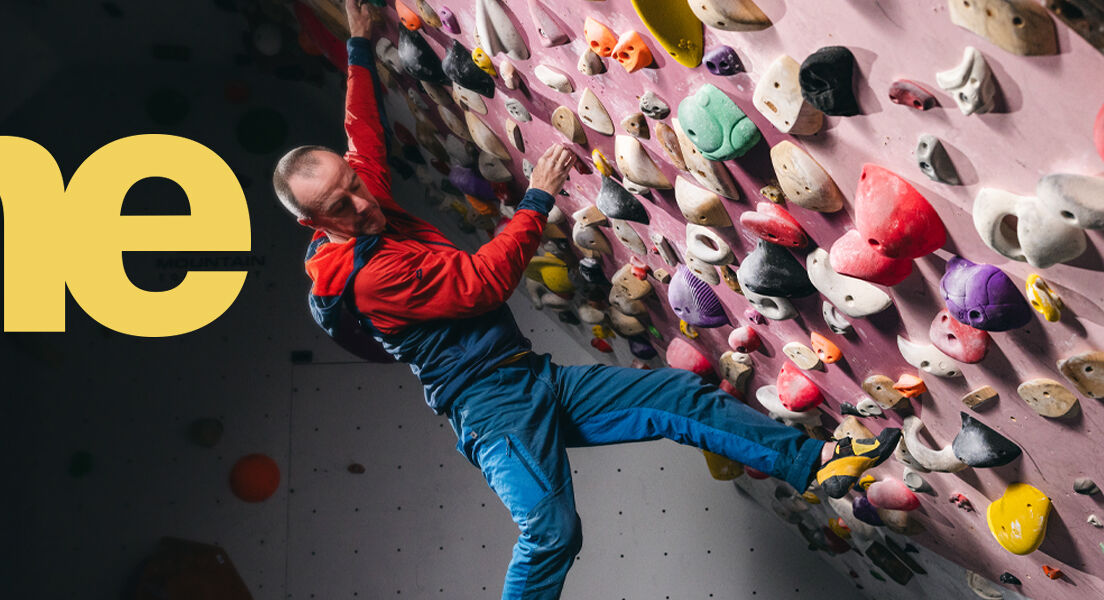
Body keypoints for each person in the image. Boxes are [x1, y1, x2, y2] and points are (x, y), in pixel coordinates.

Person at [272, 2, 902, 598]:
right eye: (341, 207)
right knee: (551, 533)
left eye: (354, 186)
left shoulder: (364, 197)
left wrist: (358, 41)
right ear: (315, 223)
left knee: (677, 399)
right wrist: (535, 202)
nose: (362, 203)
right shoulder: (368, 275)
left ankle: (815, 462)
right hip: (491, 409)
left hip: (529, 377)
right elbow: (482, 282)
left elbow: (365, 135)